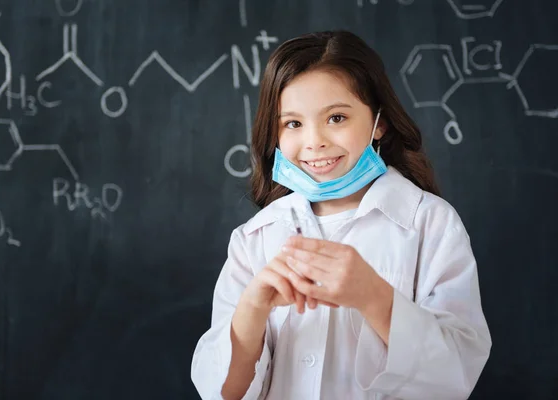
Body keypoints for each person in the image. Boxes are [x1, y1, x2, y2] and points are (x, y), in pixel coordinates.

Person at [191, 30, 491, 400]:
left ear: (378, 121)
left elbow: (456, 374)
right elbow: (222, 393)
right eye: (293, 124)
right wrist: (252, 308)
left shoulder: (429, 224)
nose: (314, 141)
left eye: (336, 118)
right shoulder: (255, 238)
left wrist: (372, 296)